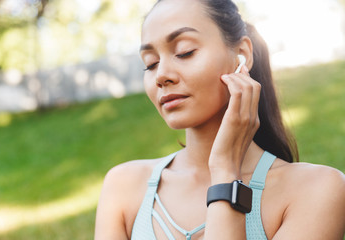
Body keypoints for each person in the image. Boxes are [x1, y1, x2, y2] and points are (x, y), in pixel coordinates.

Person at [94, 0, 345, 239]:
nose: (161, 75)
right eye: (150, 64)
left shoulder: (316, 190)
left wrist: (225, 169)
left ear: (242, 55)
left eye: (185, 52)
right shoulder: (123, 187)